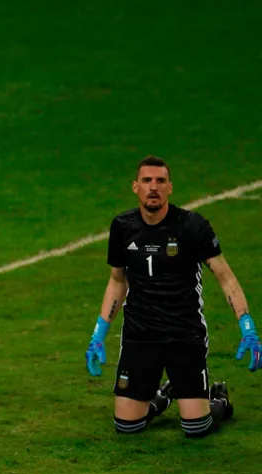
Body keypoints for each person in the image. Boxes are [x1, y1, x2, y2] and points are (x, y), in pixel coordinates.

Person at [85, 155, 261, 436]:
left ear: (170, 188)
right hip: (140, 334)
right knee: (127, 427)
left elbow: (226, 277)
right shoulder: (122, 227)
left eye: (160, 181)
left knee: (196, 427)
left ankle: (219, 400)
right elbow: (117, 281)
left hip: (184, 334)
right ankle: (164, 396)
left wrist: (247, 327)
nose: (153, 187)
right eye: (146, 181)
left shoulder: (192, 227)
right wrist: (97, 335)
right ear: (135, 187)